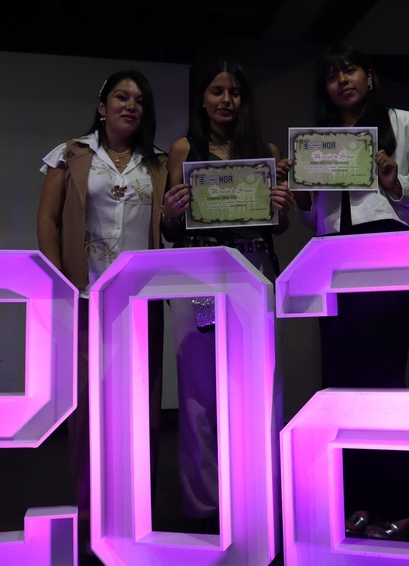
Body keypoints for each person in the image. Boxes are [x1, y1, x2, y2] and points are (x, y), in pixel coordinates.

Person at [294, 44, 409, 540]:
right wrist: (299, 196)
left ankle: (402, 504)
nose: (342, 80)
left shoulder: (400, 122)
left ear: (370, 76)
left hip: (384, 250)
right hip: (330, 256)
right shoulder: (317, 139)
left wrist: (395, 184)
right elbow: (313, 214)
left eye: (350, 70)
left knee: (382, 380)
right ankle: (357, 497)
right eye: (332, 75)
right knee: (340, 383)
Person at [160, 59, 293, 529]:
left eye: (234, 92)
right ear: (203, 98)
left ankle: (259, 499)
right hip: (199, 273)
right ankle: (204, 506)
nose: (225, 100)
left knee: (259, 388)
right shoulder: (184, 148)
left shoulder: (266, 151)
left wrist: (280, 207)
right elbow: (171, 229)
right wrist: (171, 211)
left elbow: (278, 226)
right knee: (199, 394)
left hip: (254, 269)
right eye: (217, 90)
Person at [36, 70, 168, 538]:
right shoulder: (70, 154)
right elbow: (47, 221)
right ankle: (91, 515)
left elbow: (171, 226)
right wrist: (61, 283)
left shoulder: (158, 163)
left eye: (139, 100)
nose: (130, 105)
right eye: (121, 97)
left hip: (141, 304)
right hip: (87, 298)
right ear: (101, 105)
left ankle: (136, 515)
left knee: (142, 412)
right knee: (89, 412)